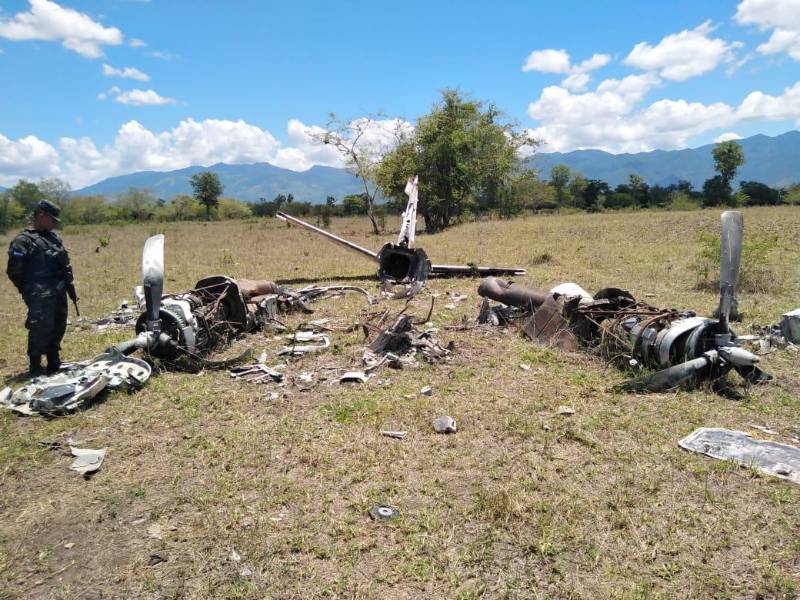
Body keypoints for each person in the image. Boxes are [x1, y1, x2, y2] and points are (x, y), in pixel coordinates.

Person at [6, 200, 76, 376]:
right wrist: (28, 289)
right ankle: (35, 365)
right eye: (52, 219)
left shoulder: (53, 237)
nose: (54, 223)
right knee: (40, 326)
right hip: (38, 291)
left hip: (58, 288)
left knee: (58, 323)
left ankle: (53, 359)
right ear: (41, 216)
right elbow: (14, 270)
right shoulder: (23, 241)